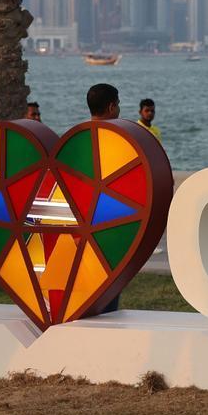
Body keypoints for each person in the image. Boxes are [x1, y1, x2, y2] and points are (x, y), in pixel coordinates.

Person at [87, 83, 122, 312]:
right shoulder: (117, 139)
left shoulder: (78, 136)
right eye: (118, 104)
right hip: (110, 220)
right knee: (109, 280)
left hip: (83, 219)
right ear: (111, 107)